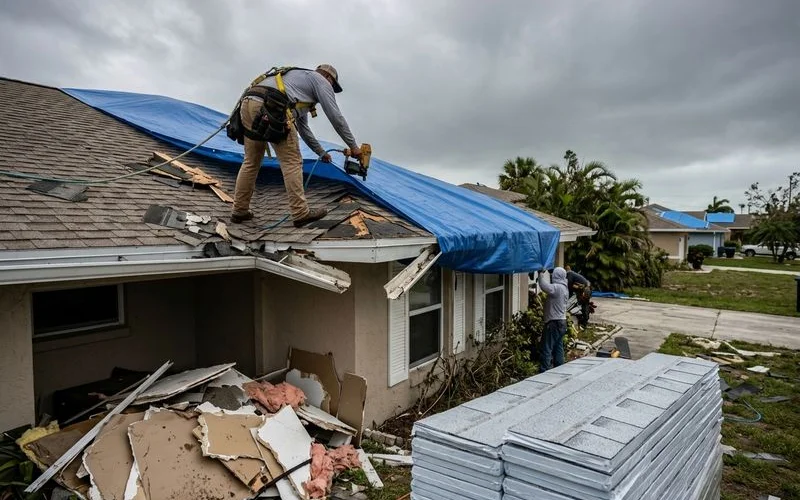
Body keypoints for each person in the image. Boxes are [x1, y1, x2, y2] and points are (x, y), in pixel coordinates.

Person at [231, 64, 362, 227]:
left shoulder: (295, 84)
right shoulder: (320, 80)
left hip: (249, 102)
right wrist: (354, 146)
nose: (330, 89)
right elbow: (335, 117)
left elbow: (303, 129)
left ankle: (239, 211)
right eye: (332, 86)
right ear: (328, 78)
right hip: (273, 107)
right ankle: (300, 213)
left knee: (251, 161)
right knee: (292, 162)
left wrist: (321, 152)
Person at [537, 267, 569, 371]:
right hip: (562, 322)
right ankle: (559, 369)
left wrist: (540, 273)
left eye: (554, 274)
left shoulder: (557, 288)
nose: (552, 275)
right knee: (558, 348)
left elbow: (543, 286)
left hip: (553, 323)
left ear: (556, 276)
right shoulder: (564, 288)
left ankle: (544, 371)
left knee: (547, 347)